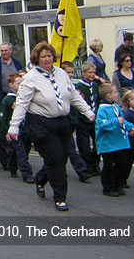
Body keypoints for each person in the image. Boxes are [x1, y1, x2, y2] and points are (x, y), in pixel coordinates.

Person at [7, 41, 95, 212]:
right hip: (41, 124)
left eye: (49, 56)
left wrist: (88, 111)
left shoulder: (61, 73)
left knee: (61, 158)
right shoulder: (30, 78)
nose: (47, 59)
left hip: (62, 122)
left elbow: (73, 96)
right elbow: (22, 104)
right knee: (55, 159)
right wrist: (13, 127)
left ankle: (40, 179)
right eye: (43, 56)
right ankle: (60, 197)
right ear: (36, 59)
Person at [1, 72, 34, 183]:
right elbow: (4, 118)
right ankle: (27, 174)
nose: (21, 86)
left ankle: (12, 165)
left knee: (24, 150)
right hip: (15, 131)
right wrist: (6, 131)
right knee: (21, 152)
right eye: (18, 83)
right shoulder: (8, 100)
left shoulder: (27, 98)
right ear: (11, 85)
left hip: (26, 129)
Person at [74, 62, 101, 175]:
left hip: (94, 120)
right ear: (84, 73)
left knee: (98, 143)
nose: (92, 74)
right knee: (84, 145)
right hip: (82, 121)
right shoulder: (78, 87)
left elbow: (97, 100)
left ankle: (95, 164)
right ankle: (87, 165)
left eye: (94, 72)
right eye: (90, 72)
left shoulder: (95, 86)